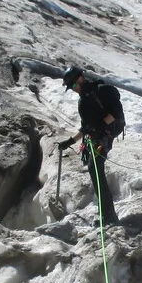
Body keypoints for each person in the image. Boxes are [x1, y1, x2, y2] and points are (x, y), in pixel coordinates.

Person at [57, 66, 124, 225]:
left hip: (107, 133)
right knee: (94, 167)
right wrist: (70, 142)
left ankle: (108, 216)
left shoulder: (102, 91)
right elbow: (85, 128)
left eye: (73, 85)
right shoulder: (83, 102)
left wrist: (100, 126)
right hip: (98, 135)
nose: (73, 90)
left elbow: (116, 113)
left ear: (80, 78)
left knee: (95, 166)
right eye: (71, 87)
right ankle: (107, 214)